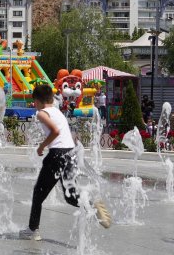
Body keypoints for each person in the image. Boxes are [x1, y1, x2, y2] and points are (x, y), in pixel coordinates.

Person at [20, 84, 111, 241]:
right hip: (70, 154)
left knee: (38, 193)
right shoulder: (58, 112)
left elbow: (55, 131)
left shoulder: (42, 113)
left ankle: (33, 230)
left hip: (57, 155)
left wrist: (42, 146)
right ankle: (92, 205)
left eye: (35, 101)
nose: (34, 105)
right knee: (71, 196)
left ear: (38, 101)